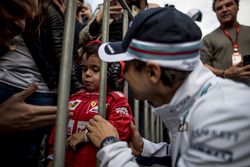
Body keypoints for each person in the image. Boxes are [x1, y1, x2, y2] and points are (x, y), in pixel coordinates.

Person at [84, 7, 250, 166]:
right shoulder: (196, 101)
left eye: (126, 65)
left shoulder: (221, 116)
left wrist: (110, 146)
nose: (123, 74)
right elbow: (187, 152)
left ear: (153, 73)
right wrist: (146, 148)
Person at [47, 40, 134, 167]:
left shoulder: (115, 99)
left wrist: (86, 135)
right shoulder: (73, 98)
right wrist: (52, 156)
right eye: (84, 69)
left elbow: (122, 129)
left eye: (95, 69)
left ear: (111, 73)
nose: (87, 74)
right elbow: (57, 130)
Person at [200, 0, 250, 85]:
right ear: (216, 13)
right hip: (224, 94)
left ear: (237, 7)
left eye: (228, 5)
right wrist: (224, 73)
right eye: (219, 8)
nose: (224, 10)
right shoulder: (208, 39)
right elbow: (202, 66)